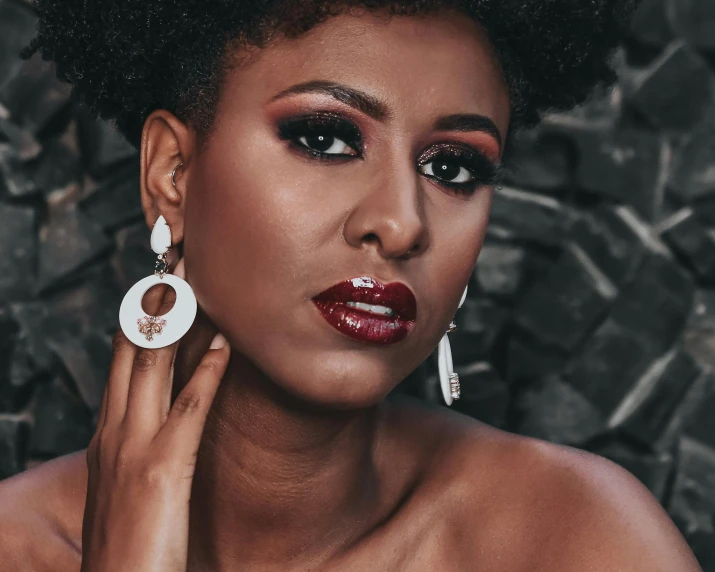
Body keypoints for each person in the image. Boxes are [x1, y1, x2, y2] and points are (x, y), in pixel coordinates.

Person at [0, 1, 703, 570]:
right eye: (326, 138)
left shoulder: (573, 540)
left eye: (452, 167)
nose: (400, 223)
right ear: (173, 174)